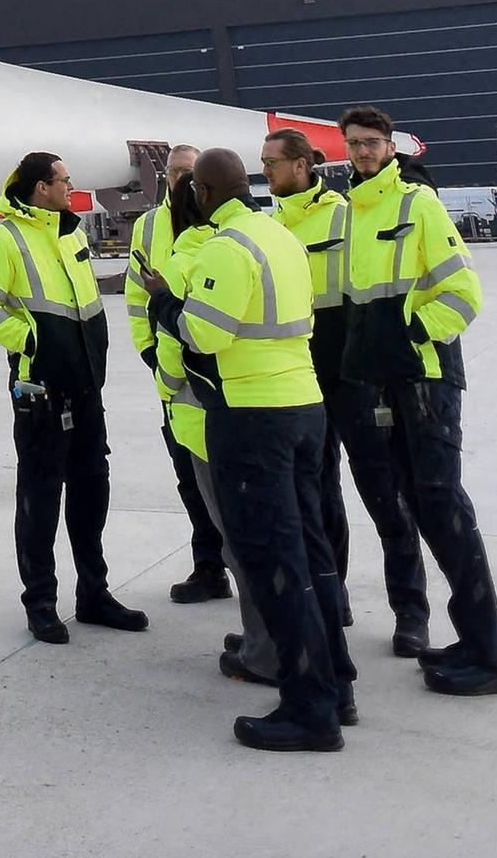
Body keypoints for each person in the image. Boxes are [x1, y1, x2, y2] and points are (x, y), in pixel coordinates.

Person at [142, 148, 356, 753]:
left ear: (206, 193)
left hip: (250, 415)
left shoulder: (226, 248)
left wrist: (163, 303)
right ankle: (336, 683)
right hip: (303, 406)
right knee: (312, 553)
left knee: (273, 561)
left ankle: (309, 708)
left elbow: (204, 332)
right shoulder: (279, 235)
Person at [338, 105, 497, 696]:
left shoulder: (418, 205)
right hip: (388, 387)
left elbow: (464, 293)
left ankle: (494, 658)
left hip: (426, 383)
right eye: (354, 143)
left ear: (392, 148)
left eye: (372, 142)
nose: (363, 151)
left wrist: (412, 335)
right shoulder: (357, 214)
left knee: (445, 508)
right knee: (422, 506)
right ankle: (472, 640)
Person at [262, 128, 429, 657]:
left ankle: (411, 612)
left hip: (354, 378)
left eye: (272, 162)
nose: (264, 170)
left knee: (385, 494)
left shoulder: (343, 214)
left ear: (303, 166)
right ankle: (332, 600)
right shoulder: (269, 227)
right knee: (315, 496)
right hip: (301, 380)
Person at [0, 152, 147, 643]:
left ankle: (94, 595)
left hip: (86, 385)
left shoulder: (71, 233)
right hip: (40, 390)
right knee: (40, 498)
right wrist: (28, 341)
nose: (72, 186)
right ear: (42, 187)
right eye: (65, 180)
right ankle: (41, 602)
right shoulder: (3, 238)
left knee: (92, 493)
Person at [150, 176, 281, 686]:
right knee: (274, 535)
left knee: (241, 540)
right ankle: (265, 637)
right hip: (279, 404)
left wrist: (164, 386)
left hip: (211, 416)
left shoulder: (191, 261)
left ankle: (265, 650)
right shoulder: (270, 237)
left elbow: (180, 342)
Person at [125, 145, 229, 605]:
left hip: (218, 365)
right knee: (188, 474)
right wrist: (148, 349)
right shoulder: (148, 227)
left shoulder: (220, 224)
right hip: (170, 368)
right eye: (175, 172)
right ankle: (209, 566)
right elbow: (134, 293)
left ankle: (241, 563)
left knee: (227, 473)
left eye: (189, 172)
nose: (181, 180)